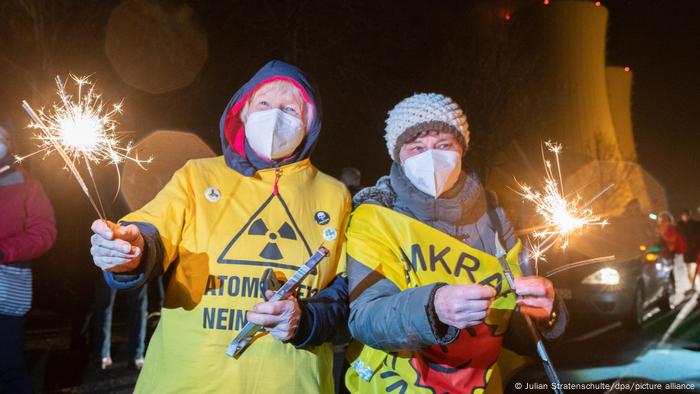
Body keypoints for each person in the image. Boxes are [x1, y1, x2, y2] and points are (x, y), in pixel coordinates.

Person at [89, 60, 350, 393]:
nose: (275, 115)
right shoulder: (197, 176)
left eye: (290, 108)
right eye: (265, 103)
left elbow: (347, 294)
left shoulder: (334, 194)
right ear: (243, 112)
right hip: (187, 382)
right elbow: (152, 232)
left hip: (291, 384)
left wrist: (306, 321)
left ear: (309, 122)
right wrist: (131, 249)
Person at [344, 93, 567, 393]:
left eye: (444, 145)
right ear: (398, 156)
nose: (431, 157)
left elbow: (513, 329)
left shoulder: (495, 219)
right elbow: (366, 318)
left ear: (461, 149)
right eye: (417, 148)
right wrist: (432, 308)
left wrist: (543, 315)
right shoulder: (375, 216)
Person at [0, 123, 57, 393]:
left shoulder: (27, 184)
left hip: (7, 290)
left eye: (3, 137)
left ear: (12, 144)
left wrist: (5, 250)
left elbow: (44, 233)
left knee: (11, 368)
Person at [92, 274, 147, 370]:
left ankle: (102, 355)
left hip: (108, 267)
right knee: (137, 309)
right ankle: (136, 357)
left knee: (104, 307)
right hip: (135, 268)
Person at [658, 212, 690, 292]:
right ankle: (681, 288)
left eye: (662, 220)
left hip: (676, 252)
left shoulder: (670, 228)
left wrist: (664, 237)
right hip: (673, 253)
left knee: (678, 270)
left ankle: (683, 289)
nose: (661, 222)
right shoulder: (668, 228)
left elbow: (673, 239)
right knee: (676, 270)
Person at [677, 210, 699, 289]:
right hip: (686, 251)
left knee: (697, 268)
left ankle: (696, 284)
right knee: (689, 269)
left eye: (686, 215)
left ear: (689, 216)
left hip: (695, 250)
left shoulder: (696, 224)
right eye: (683, 215)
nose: (685, 217)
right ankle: (693, 286)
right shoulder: (679, 225)